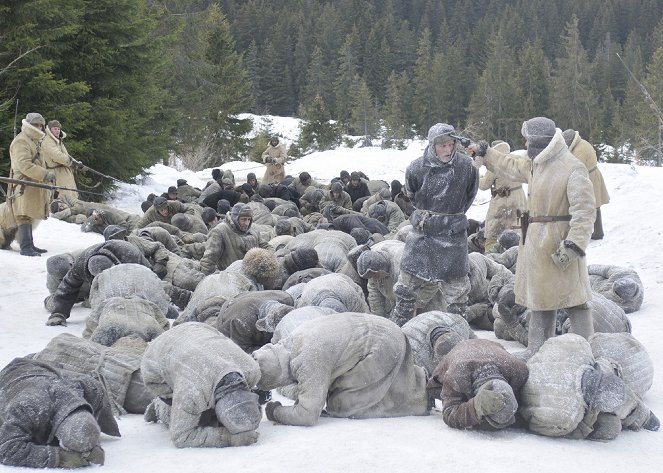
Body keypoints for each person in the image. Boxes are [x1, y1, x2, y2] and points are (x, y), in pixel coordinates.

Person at [470, 117, 596, 359]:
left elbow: (585, 211)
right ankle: (538, 348)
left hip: (560, 242)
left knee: (575, 299)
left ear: (537, 140)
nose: (524, 142)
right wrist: (486, 153)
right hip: (536, 242)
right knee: (540, 299)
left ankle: (586, 349)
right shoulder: (535, 163)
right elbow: (510, 164)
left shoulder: (572, 167)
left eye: (527, 138)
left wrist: (573, 245)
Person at [252, 313, 430, 426]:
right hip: (382, 330)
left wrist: (276, 412)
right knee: (349, 389)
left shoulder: (305, 360)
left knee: (342, 406)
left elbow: (307, 414)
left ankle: (418, 397)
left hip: (381, 343)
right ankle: (413, 381)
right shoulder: (293, 341)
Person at [391, 123, 479, 326]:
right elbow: (411, 195)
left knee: (458, 295)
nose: (448, 150)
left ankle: (459, 337)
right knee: (405, 289)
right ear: (432, 145)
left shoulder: (466, 166)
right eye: (443, 146)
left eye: (451, 144)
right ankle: (398, 331)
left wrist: (450, 218)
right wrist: (424, 216)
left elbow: (469, 196)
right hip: (423, 235)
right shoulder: (416, 167)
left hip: (453, 235)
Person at [141, 322, 261, 448]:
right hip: (156, 358)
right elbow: (181, 437)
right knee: (203, 421)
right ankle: (160, 408)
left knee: (204, 411)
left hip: (197, 329)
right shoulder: (192, 391)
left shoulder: (251, 368)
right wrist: (229, 438)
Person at [0, 357, 119, 468]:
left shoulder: (91, 390)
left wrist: (94, 443)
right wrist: (60, 457)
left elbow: (88, 426)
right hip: (10, 377)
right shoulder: (27, 408)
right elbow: (6, 448)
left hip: (44, 370)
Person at [426, 338, 529, 430]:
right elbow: (449, 413)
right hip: (460, 352)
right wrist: (476, 406)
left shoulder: (519, 371)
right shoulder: (456, 375)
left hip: (492, 347)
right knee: (435, 390)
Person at [7, 112, 53, 256]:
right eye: (35, 124)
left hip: (31, 183)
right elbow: (24, 165)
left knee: (29, 214)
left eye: (40, 124)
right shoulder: (21, 141)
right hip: (23, 184)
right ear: (28, 125)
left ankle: (29, 245)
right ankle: (25, 247)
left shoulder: (33, 140)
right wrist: (44, 174)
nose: (38, 127)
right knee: (23, 215)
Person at [478, 141, 527, 251]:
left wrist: (478, 177)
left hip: (502, 204)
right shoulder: (517, 159)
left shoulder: (496, 162)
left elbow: (484, 185)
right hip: (520, 201)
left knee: (492, 235)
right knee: (518, 233)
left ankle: (491, 259)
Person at [563, 129, 610, 240]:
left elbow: (576, 167)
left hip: (590, 177)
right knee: (594, 204)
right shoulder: (581, 143)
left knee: (593, 205)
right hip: (591, 175)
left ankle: (598, 232)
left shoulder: (580, 150)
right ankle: (597, 231)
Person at [41, 120, 78, 200]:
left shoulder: (58, 140)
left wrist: (76, 162)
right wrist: (71, 162)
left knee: (71, 194)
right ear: (50, 129)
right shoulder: (48, 141)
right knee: (64, 196)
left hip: (63, 171)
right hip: (57, 173)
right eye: (55, 129)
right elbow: (57, 156)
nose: (57, 131)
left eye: (58, 129)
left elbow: (66, 155)